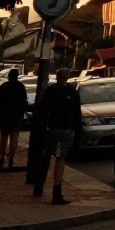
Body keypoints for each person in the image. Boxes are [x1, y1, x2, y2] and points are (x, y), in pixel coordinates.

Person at [32, 67, 82, 204]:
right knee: (60, 159)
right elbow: (77, 113)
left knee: (45, 158)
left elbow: (42, 111)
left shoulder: (50, 91)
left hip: (51, 129)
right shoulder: (72, 92)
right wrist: (77, 130)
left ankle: (38, 186)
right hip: (66, 129)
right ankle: (56, 192)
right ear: (68, 77)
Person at [0, 69, 28, 170]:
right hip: (16, 115)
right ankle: (11, 157)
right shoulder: (20, 87)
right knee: (14, 137)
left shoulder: (4, 86)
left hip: (5, 115)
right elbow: (25, 102)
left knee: (3, 138)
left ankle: (2, 157)